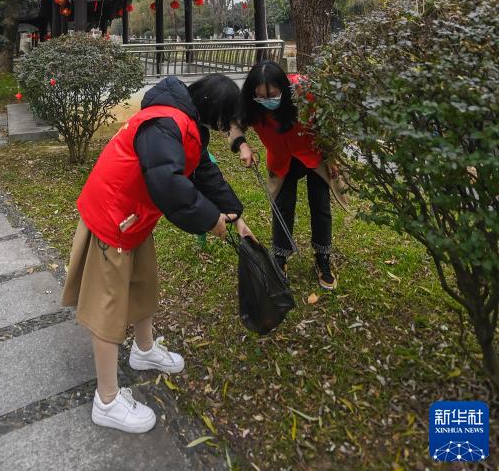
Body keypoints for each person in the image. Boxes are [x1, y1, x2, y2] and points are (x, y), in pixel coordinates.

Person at [62, 74, 254, 434]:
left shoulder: (187, 122)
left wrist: (236, 216)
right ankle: (106, 401)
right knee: (107, 307)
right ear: (214, 109)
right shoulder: (165, 123)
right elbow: (168, 183)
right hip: (113, 216)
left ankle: (144, 349)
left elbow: (205, 174)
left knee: (143, 283)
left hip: (135, 217)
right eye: (228, 119)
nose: (228, 127)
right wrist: (209, 219)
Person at [230, 61, 338, 290]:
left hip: (313, 154)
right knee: (282, 207)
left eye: (272, 94)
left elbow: (327, 123)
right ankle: (280, 258)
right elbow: (235, 125)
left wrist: (331, 157)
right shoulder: (250, 103)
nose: (267, 100)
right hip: (281, 160)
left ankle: (322, 257)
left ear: (283, 87)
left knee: (320, 204)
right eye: (261, 96)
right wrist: (243, 146)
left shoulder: (304, 92)